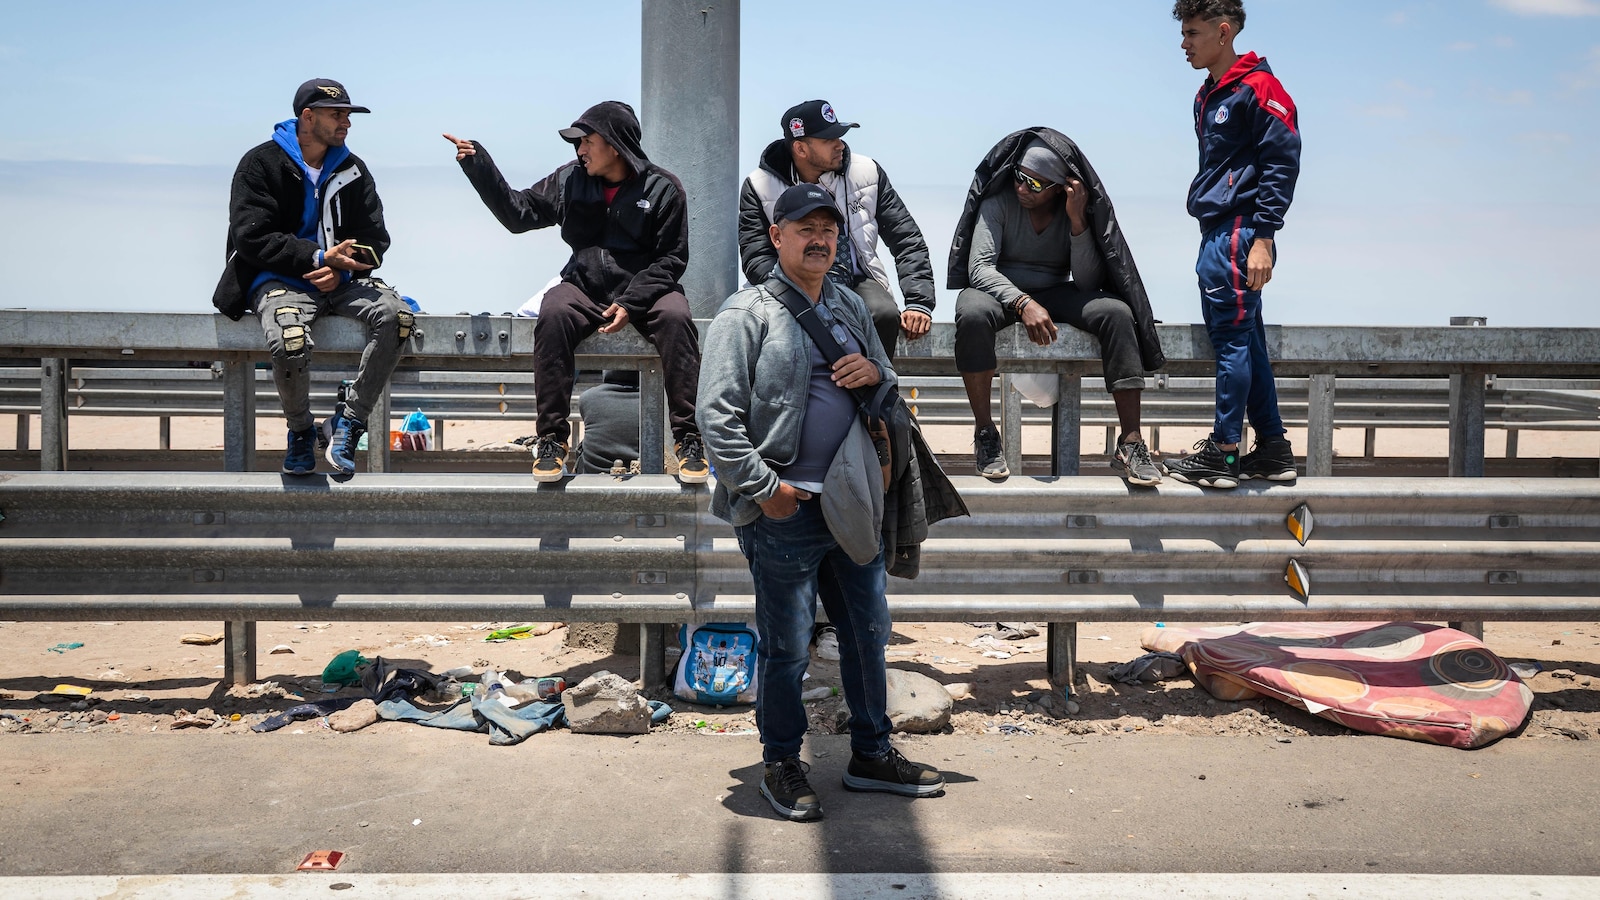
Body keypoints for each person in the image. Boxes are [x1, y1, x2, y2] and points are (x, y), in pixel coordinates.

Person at [699, 183, 945, 823]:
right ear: (776, 236)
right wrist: (763, 490)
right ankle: (781, 762)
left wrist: (875, 373)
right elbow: (716, 418)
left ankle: (871, 754)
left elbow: (886, 384)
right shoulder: (744, 315)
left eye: (829, 229)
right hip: (783, 510)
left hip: (853, 501)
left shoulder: (847, 304)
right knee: (786, 646)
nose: (819, 239)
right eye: (804, 228)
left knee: (868, 633)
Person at [445, 101, 708, 484]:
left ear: (615, 144)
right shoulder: (569, 179)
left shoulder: (663, 187)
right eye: (577, 143)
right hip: (584, 286)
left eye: (587, 141)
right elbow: (518, 214)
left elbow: (672, 258)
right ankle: (551, 441)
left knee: (676, 317)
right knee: (553, 312)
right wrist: (478, 165)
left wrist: (631, 303)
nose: (580, 150)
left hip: (647, 289)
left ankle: (688, 440)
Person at [212, 78, 413, 477]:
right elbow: (251, 236)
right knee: (289, 339)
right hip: (279, 279)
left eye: (348, 116)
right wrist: (317, 257)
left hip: (342, 282)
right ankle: (301, 430)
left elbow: (376, 240)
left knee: (399, 318)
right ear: (308, 117)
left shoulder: (354, 169)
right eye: (337, 115)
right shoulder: (260, 163)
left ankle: (349, 422)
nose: (347, 124)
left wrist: (340, 269)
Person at [947, 129, 1167, 483]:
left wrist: (1078, 220)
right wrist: (1022, 302)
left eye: (1034, 185)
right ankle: (986, 434)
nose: (1021, 188)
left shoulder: (1071, 210)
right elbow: (979, 268)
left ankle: (1130, 442)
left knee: (1117, 313)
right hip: (1001, 290)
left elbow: (1085, 282)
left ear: (1059, 188)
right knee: (971, 312)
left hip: (1055, 290)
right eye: (1019, 177)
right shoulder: (998, 203)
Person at [1163, 0, 1302, 488]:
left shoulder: (1260, 89)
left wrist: (1264, 237)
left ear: (1224, 33)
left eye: (1193, 33)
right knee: (1251, 343)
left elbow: (1282, 165)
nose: (1184, 43)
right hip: (1217, 230)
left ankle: (1223, 454)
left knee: (1233, 342)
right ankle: (1273, 449)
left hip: (1240, 233)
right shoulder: (1208, 95)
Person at [738, 100, 935, 362]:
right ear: (800, 148)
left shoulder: (867, 172)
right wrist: (797, 292)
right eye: (828, 139)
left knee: (884, 313)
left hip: (857, 279)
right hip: (790, 282)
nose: (840, 145)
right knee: (774, 320)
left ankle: (877, 394)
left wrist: (918, 301)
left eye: (840, 136)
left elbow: (906, 238)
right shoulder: (758, 185)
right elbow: (756, 256)